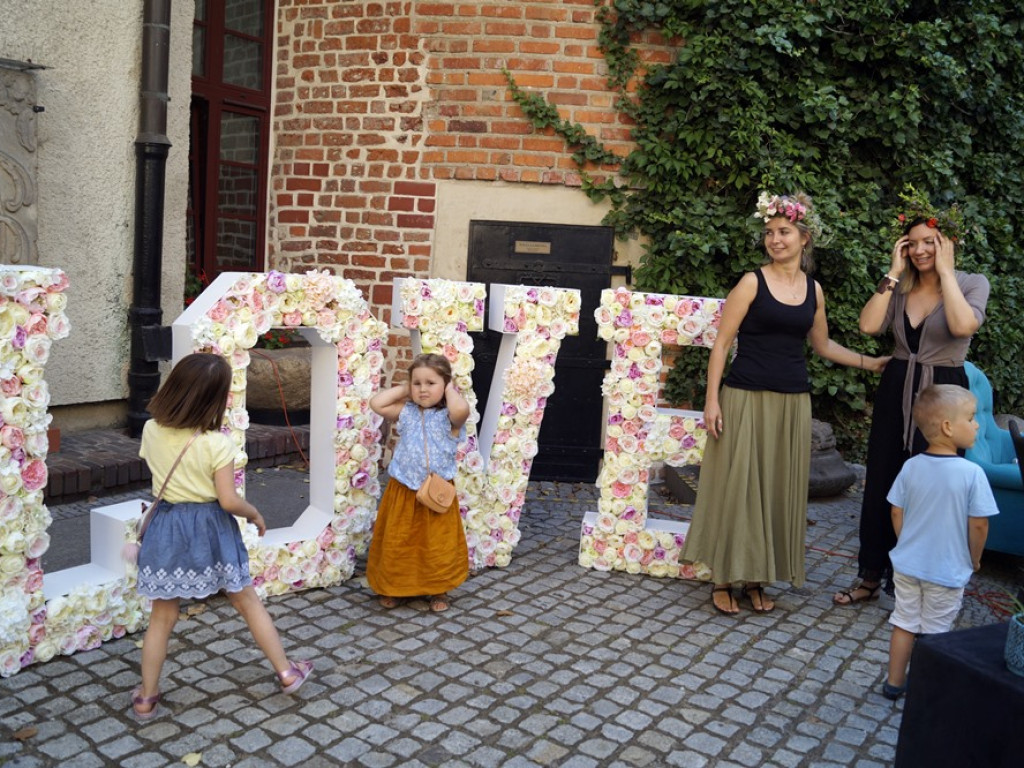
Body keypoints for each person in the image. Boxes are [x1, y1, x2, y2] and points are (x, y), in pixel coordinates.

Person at [682, 192, 888, 616]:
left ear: (804, 238)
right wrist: (711, 401)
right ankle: (724, 578)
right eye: (770, 233)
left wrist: (871, 363)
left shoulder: (814, 290)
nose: (775, 240)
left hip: (792, 404)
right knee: (738, 488)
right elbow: (721, 345)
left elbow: (823, 345)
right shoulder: (751, 283)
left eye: (784, 232)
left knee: (777, 491)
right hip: (744, 398)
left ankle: (757, 579)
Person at [132, 353, 313, 720]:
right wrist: (255, 513)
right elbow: (228, 501)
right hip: (210, 526)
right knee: (246, 600)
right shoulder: (217, 444)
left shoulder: (151, 429)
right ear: (215, 399)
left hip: (167, 524)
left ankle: (146, 697)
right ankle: (287, 672)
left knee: (161, 616)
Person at [834, 190, 990, 605]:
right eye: (912, 243)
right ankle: (870, 575)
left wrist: (946, 272)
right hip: (897, 387)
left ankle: (921, 588)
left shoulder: (972, 283)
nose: (920, 251)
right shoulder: (900, 286)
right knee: (883, 482)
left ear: (947, 243)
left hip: (944, 394)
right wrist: (891, 272)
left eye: (929, 242)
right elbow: (868, 326)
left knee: (935, 490)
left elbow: (963, 326)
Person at [881, 384, 997, 699]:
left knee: (904, 623)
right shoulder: (972, 474)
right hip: (945, 570)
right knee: (935, 632)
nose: (977, 425)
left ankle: (893, 683)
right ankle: (925, 691)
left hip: (908, 565)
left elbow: (896, 510)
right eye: (971, 418)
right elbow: (979, 524)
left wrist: (907, 543)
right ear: (948, 426)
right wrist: (975, 558)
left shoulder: (911, 466)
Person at [367, 353, 470, 612]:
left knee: (436, 544)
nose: (423, 389)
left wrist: (448, 388)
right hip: (403, 489)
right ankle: (393, 587)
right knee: (398, 540)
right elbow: (377, 403)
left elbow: (461, 410)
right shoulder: (407, 412)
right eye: (418, 383)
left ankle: (438, 589)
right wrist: (407, 389)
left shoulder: (449, 417)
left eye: (431, 383)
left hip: (436, 492)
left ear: (445, 385)